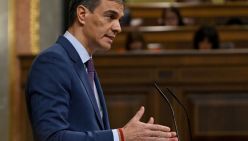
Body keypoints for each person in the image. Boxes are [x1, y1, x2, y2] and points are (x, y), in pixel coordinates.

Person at [25, 0, 179, 141]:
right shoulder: (52, 62)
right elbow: (51, 137)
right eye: (110, 16)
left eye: (119, 19)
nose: (118, 27)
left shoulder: (86, 64)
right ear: (82, 15)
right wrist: (120, 136)